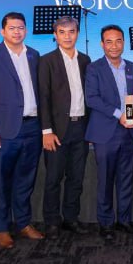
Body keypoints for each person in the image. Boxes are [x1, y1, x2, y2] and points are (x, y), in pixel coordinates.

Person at [0, 11, 45, 249]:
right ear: (2, 31)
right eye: (12, 28)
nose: (17, 32)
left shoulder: (34, 55)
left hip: (32, 126)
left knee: (26, 179)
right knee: (1, 180)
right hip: (4, 130)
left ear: (26, 30)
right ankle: (2, 228)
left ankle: (24, 223)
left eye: (21, 28)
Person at [84, 25, 133, 239]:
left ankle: (124, 221)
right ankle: (106, 223)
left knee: (126, 179)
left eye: (118, 41)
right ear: (102, 44)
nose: (114, 46)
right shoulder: (94, 68)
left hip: (128, 132)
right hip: (105, 133)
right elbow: (92, 99)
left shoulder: (132, 68)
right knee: (106, 180)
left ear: (124, 42)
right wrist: (120, 114)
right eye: (109, 42)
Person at [39, 16, 91, 239]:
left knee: (76, 177)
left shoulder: (86, 60)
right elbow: (43, 98)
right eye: (62, 32)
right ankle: (52, 221)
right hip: (57, 130)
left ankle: (71, 218)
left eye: (71, 32)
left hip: (81, 128)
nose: (67, 36)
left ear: (77, 33)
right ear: (55, 35)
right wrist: (46, 131)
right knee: (53, 178)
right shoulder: (46, 61)